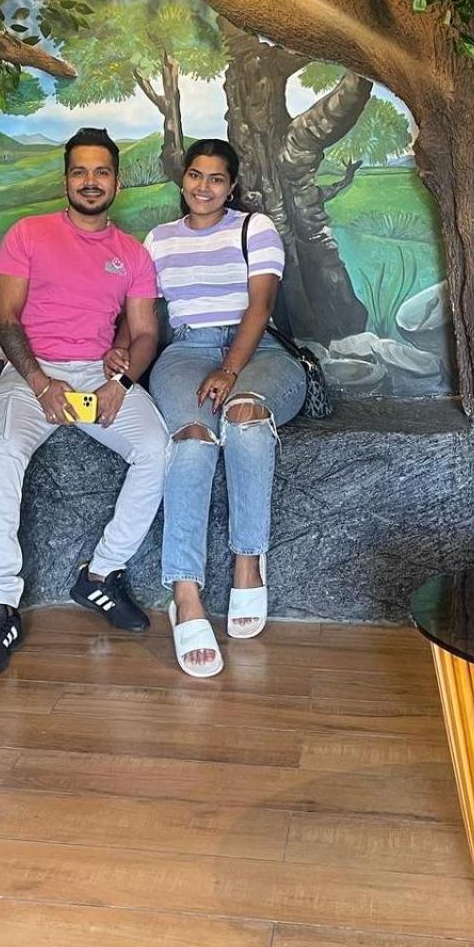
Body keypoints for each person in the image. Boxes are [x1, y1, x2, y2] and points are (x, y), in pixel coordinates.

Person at [0, 127, 167, 678]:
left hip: (97, 377)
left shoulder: (132, 254)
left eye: (101, 172)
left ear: (117, 183)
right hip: (30, 374)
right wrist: (39, 383)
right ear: (66, 181)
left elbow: (144, 333)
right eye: (80, 171)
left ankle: (101, 574)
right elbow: (5, 320)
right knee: (2, 452)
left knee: (157, 449)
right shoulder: (27, 234)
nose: (90, 181)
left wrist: (120, 381)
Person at [132, 138, 305, 677]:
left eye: (216, 178)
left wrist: (230, 369)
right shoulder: (159, 239)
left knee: (245, 420)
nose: (203, 187)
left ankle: (248, 563)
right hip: (186, 352)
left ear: (231, 187)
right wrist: (118, 357)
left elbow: (261, 306)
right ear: (182, 178)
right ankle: (185, 595)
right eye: (195, 175)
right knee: (191, 441)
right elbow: (141, 314)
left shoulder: (255, 227)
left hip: (259, 350)